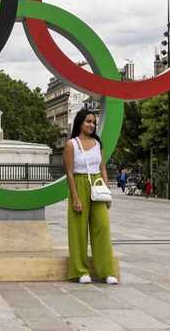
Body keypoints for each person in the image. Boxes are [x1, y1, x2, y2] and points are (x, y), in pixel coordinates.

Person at [63, 107, 118, 284]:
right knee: (78, 230)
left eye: (93, 122)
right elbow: (69, 172)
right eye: (88, 121)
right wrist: (75, 197)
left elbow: (103, 168)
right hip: (79, 183)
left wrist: (107, 192)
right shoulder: (72, 144)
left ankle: (107, 271)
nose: (92, 125)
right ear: (80, 122)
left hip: (96, 185)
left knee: (102, 227)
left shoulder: (98, 144)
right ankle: (80, 270)